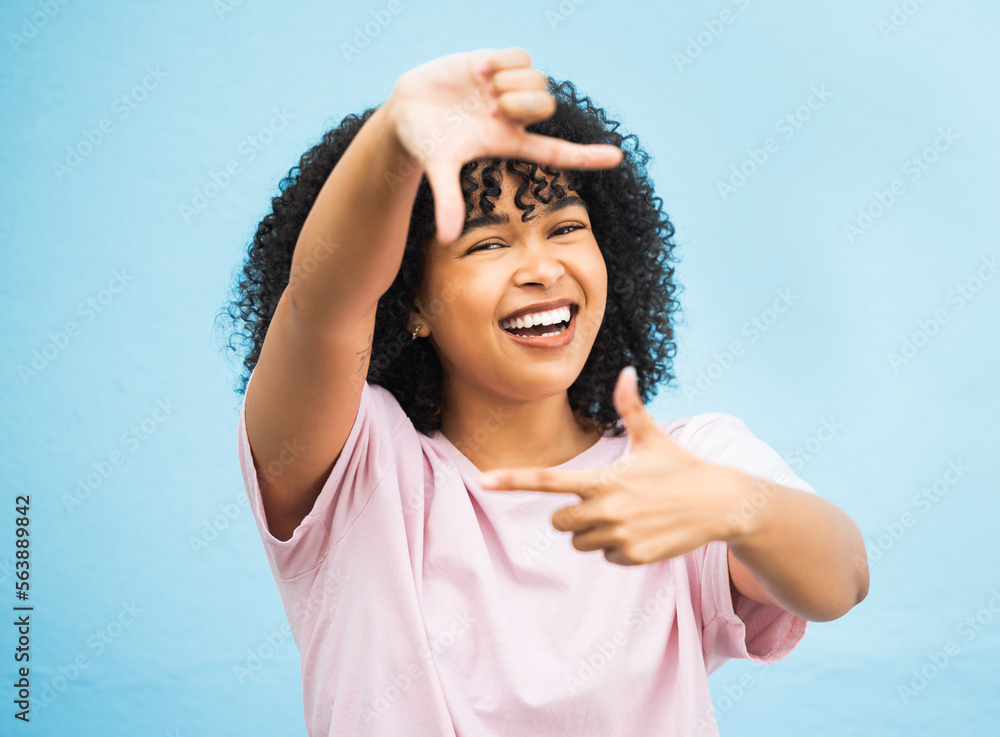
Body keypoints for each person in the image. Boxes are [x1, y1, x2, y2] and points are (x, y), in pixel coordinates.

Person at [224, 47, 869, 736]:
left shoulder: (682, 467)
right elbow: (320, 310)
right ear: (406, 300)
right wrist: (393, 138)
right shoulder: (358, 471)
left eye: (565, 229)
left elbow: (842, 578)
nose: (541, 267)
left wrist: (737, 506)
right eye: (487, 244)